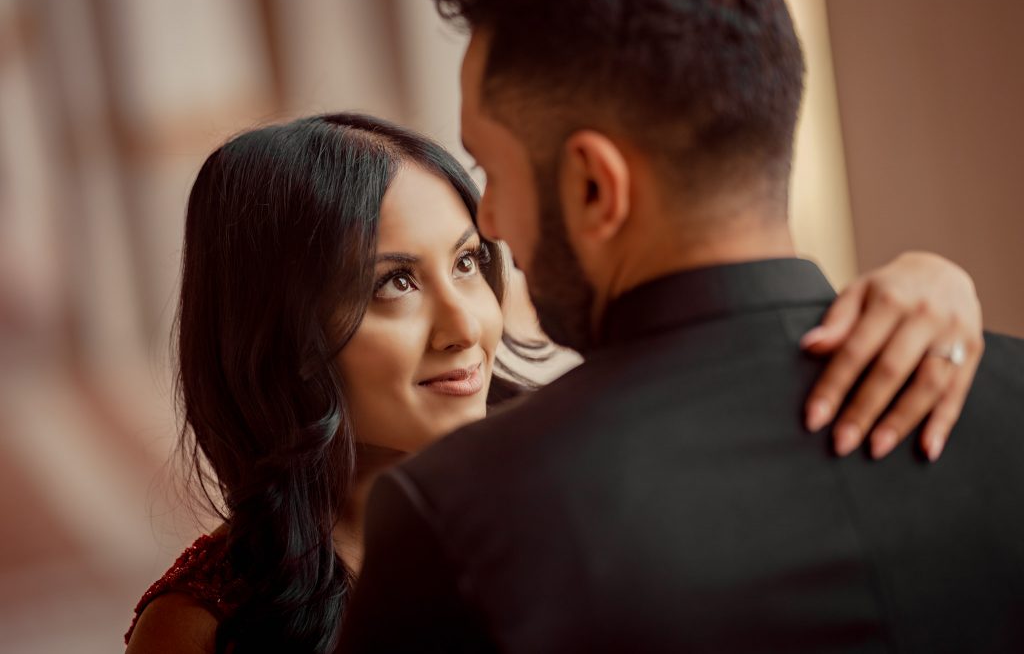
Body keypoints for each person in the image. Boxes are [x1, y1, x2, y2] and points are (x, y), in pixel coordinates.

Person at [339, 0, 1024, 652]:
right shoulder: (1007, 394)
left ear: (593, 186)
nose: (489, 220)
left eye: (492, 170)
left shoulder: (460, 518)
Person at [124, 111, 981, 654]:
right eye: (395, 282)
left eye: (468, 263)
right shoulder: (203, 627)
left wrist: (934, 282)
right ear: (281, 336)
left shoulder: (589, 465)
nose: (468, 324)